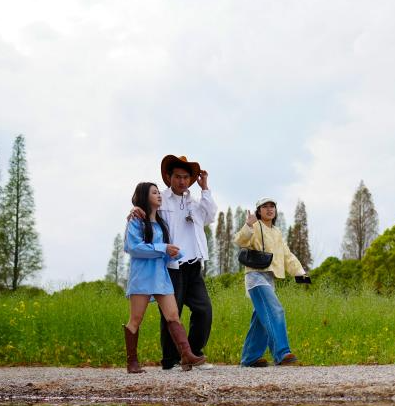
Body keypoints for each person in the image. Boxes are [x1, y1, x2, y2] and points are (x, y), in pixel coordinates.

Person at [132, 155, 218, 370]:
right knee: (172, 313)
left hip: (193, 264)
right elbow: (144, 212)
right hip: (171, 265)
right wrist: (135, 210)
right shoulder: (161, 200)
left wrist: (205, 188)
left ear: (191, 179)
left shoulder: (195, 203)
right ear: (169, 177)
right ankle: (170, 361)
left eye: (186, 177)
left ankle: (194, 354)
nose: (182, 181)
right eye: (178, 177)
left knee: (204, 310)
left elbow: (211, 215)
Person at [123, 182, 205, 372]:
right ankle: (132, 362)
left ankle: (186, 355)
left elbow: (161, 251)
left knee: (173, 315)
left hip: (161, 276)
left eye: (159, 192)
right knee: (136, 318)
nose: (159, 195)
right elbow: (133, 248)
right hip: (142, 277)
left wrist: (173, 253)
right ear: (144, 196)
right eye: (154, 193)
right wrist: (163, 248)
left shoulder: (161, 224)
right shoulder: (135, 220)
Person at [233, 198, 310, 367]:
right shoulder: (255, 226)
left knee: (260, 319)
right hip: (255, 277)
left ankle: (249, 358)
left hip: (269, 278)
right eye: (265, 207)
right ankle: (282, 353)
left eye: (272, 206)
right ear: (258, 211)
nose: (269, 209)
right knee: (275, 310)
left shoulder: (277, 232)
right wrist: (248, 225)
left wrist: (300, 273)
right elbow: (239, 241)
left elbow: (286, 255)